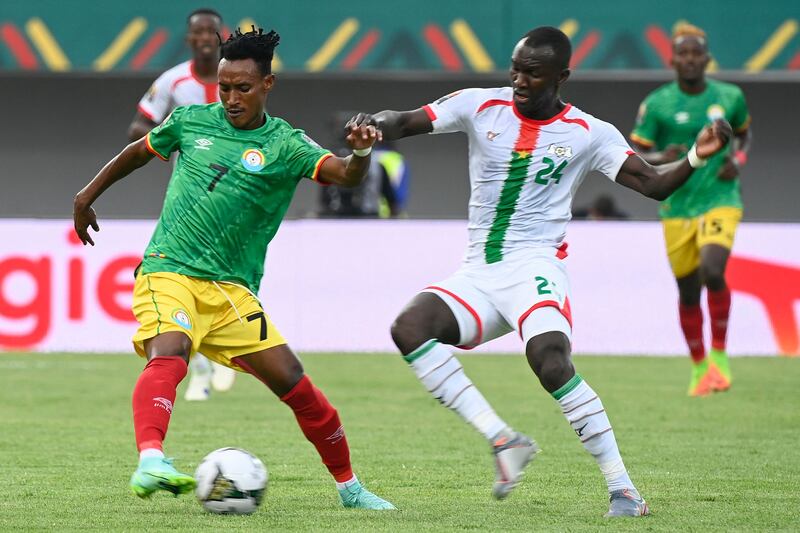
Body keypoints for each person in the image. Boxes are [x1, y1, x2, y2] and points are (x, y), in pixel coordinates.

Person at [349, 26, 731, 517]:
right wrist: (373, 127)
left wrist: (697, 155)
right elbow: (404, 120)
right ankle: (504, 440)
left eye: (532, 73)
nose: (519, 81)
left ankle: (624, 489)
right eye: (515, 69)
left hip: (535, 267)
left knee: (550, 360)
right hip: (479, 273)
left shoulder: (589, 133)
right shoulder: (478, 104)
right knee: (409, 328)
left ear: (561, 77)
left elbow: (653, 185)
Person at [73, 27, 394, 510]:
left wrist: (363, 151)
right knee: (171, 350)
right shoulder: (190, 121)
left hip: (230, 292)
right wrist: (86, 196)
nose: (230, 97)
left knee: (294, 379)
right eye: (224, 87)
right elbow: (138, 152)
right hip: (169, 270)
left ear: (267, 85)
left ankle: (351, 488)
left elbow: (346, 174)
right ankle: (151, 459)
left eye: (242, 87)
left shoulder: (287, 145)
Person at [630, 23, 752, 397]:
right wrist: (659, 157)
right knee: (687, 292)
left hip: (720, 197)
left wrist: (739, 158)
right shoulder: (658, 104)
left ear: (707, 58)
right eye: (683, 53)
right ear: (672, 60)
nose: (690, 59)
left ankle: (719, 354)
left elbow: (743, 132)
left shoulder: (730, 96)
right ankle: (700, 367)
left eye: (696, 53)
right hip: (677, 204)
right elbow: (635, 151)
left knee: (713, 272)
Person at [129, 8, 236, 401]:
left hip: (237, 195)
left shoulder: (237, 78)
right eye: (198, 32)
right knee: (187, 273)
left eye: (212, 30)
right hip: (189, 196)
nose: (206, 37)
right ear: (190, 39)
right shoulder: (173, 81)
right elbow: (139, 127)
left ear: (221, 35)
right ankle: (204, 366)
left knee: (227, 270)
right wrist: (175, 136)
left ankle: (217, 353)